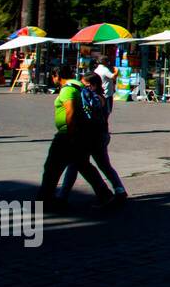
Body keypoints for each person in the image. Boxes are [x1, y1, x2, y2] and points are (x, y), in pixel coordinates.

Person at [37, 66, 116, 211]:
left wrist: (70, 134)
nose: (53, 79)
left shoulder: (68, 89)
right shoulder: (79, 85)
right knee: (83, 165)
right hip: (81, 133)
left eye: (53, 77)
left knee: (52, 167)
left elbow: (70, 111)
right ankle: (105, 194)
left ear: (57, 75)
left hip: (68, 134)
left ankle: (45, 199)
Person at [59, 73, 128, 202]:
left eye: (85, 85)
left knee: (75, 164)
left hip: (89, 136)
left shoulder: (91, 97)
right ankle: (119, 189)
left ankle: (63, 195)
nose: (82, 87)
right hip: (101, 135)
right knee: (103, 165)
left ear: (93, 85)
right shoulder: (102, 97)